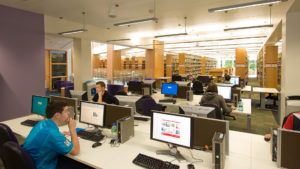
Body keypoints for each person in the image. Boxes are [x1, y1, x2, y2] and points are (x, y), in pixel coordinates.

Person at [22, 101, 89, 169]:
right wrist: (72, 129)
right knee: (84, 165)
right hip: (42, 165)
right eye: (66, 111)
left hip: (31, 162)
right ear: (57, 115)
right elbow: (76, 151)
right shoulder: (53, 134)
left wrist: (58, 135)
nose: (68, 113)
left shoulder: (42, 123)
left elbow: (47, 136)